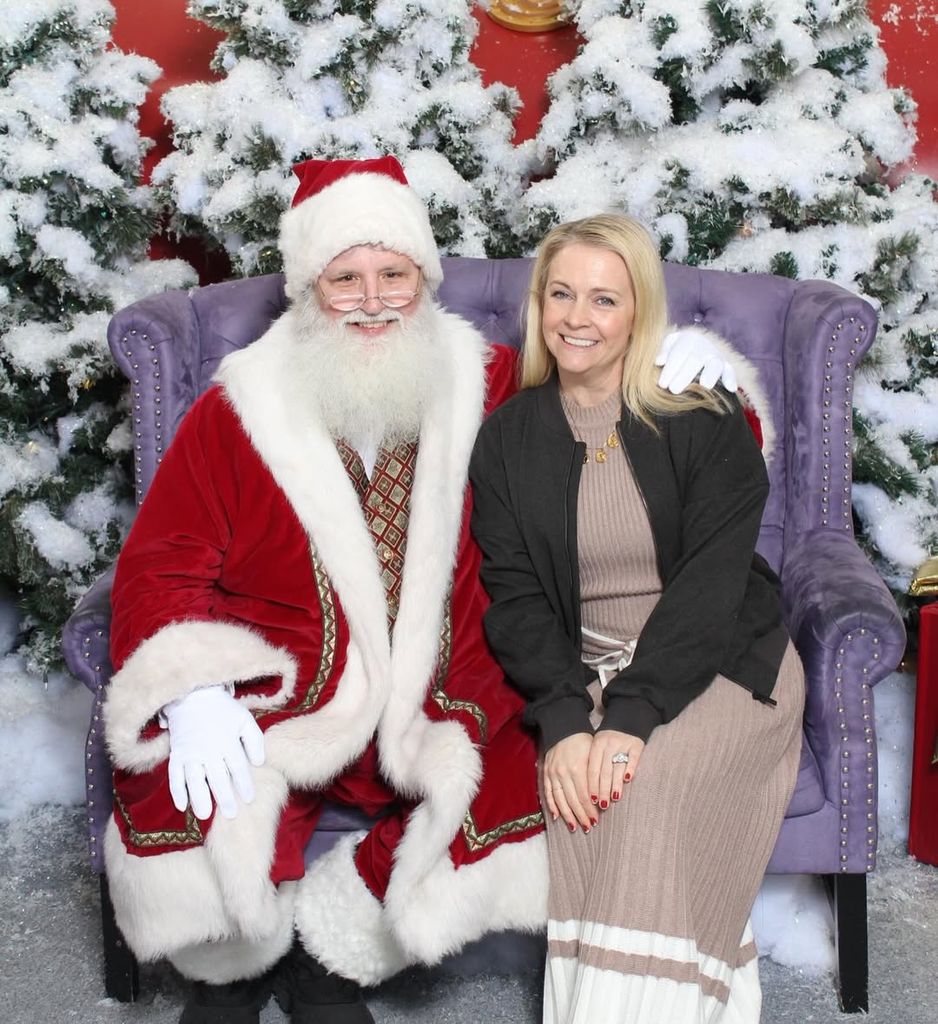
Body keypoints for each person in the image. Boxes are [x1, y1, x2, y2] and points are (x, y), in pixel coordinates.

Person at [101, 160, 739, 1024]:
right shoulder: (237, 408)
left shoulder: (495, 377)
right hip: (288, 683)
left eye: (393, 275)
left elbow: (640, 433)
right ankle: (236, 967)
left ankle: (334, 950)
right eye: (346, 278)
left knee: (533, 765)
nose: (373, 300)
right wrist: (192, 689)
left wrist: (689, 371)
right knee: (193, 774)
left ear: (423, 278)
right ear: (309, 288)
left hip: (451, 674)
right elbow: (161, 560)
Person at [469, 214, 805, 1024]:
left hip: (722, 655)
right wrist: (563, 721)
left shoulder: (701, 415)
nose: (577, 318)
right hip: (588, 664)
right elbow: (512, 595)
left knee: (640, 784)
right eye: (561, 294)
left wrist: (630, 719)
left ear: (638, 312)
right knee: (579, 791)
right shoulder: (509, 436)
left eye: (604, 299)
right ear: (539, 305)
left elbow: (712, 588)